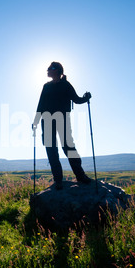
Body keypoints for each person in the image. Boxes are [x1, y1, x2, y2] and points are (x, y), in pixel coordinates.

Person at [32, 62, 92, 190]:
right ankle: (58, 180)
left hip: (61, 119)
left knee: (68, 147)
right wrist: (36, 121)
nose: (47, 70)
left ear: (58, 71)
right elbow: (41, 104)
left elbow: (76, 99)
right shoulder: (46, 86)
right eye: (48, 68)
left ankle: (80, 176)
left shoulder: (66, 85)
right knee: (52, 150)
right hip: (47, 120)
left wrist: (85, 98)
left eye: (50, 68)